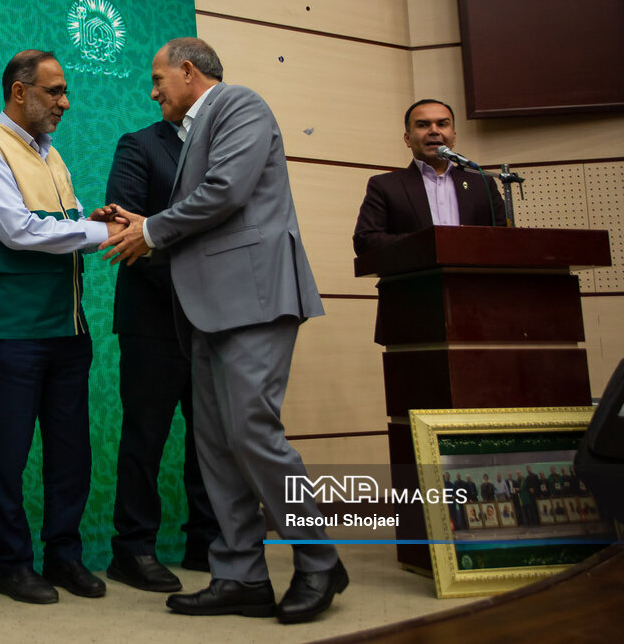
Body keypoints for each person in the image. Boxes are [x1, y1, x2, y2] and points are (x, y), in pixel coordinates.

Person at [101, 37, 344, 624]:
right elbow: (203, 215)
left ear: (188, 71)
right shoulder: (195, 128)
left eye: (158, 79)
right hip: (207, 308)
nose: (153, 92)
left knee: (252, 432)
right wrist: (146, 225)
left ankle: (320, 559)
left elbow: (226, 192)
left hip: (253, 299)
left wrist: (151, 231)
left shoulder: (240, 104)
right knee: (216, 445)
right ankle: (240, 576)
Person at [0, 50, 117, 605]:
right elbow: (17, 230)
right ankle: (13, 564)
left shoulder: (51, 153)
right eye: (54, 91)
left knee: (71, 453)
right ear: (19, 92)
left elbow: (61, 227)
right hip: (10, 330)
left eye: (64, 91)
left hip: (66, 328)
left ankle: (64, 556)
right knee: (8, 454)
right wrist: (103, 235)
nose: (64, 102)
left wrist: (91, 222)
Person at [103, 119, 219, 593]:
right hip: (153, 317)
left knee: (211, 438)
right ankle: (133, 550)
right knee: (145, 439)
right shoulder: (140, 145)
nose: (154, 91)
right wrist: (200, 264)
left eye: (159, 83)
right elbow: (125, 232)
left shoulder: (223, 145)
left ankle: (207, 542)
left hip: (215, 318)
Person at [352, 99, 505, 255]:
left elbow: (504, 239)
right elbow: (365, 241)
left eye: (442, 124)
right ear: (407, 139)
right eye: (423, 125)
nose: (434, 131)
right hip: (415, 270)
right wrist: (430, 243)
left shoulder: (482, 183)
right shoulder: (385, 186)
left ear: (453, 137)